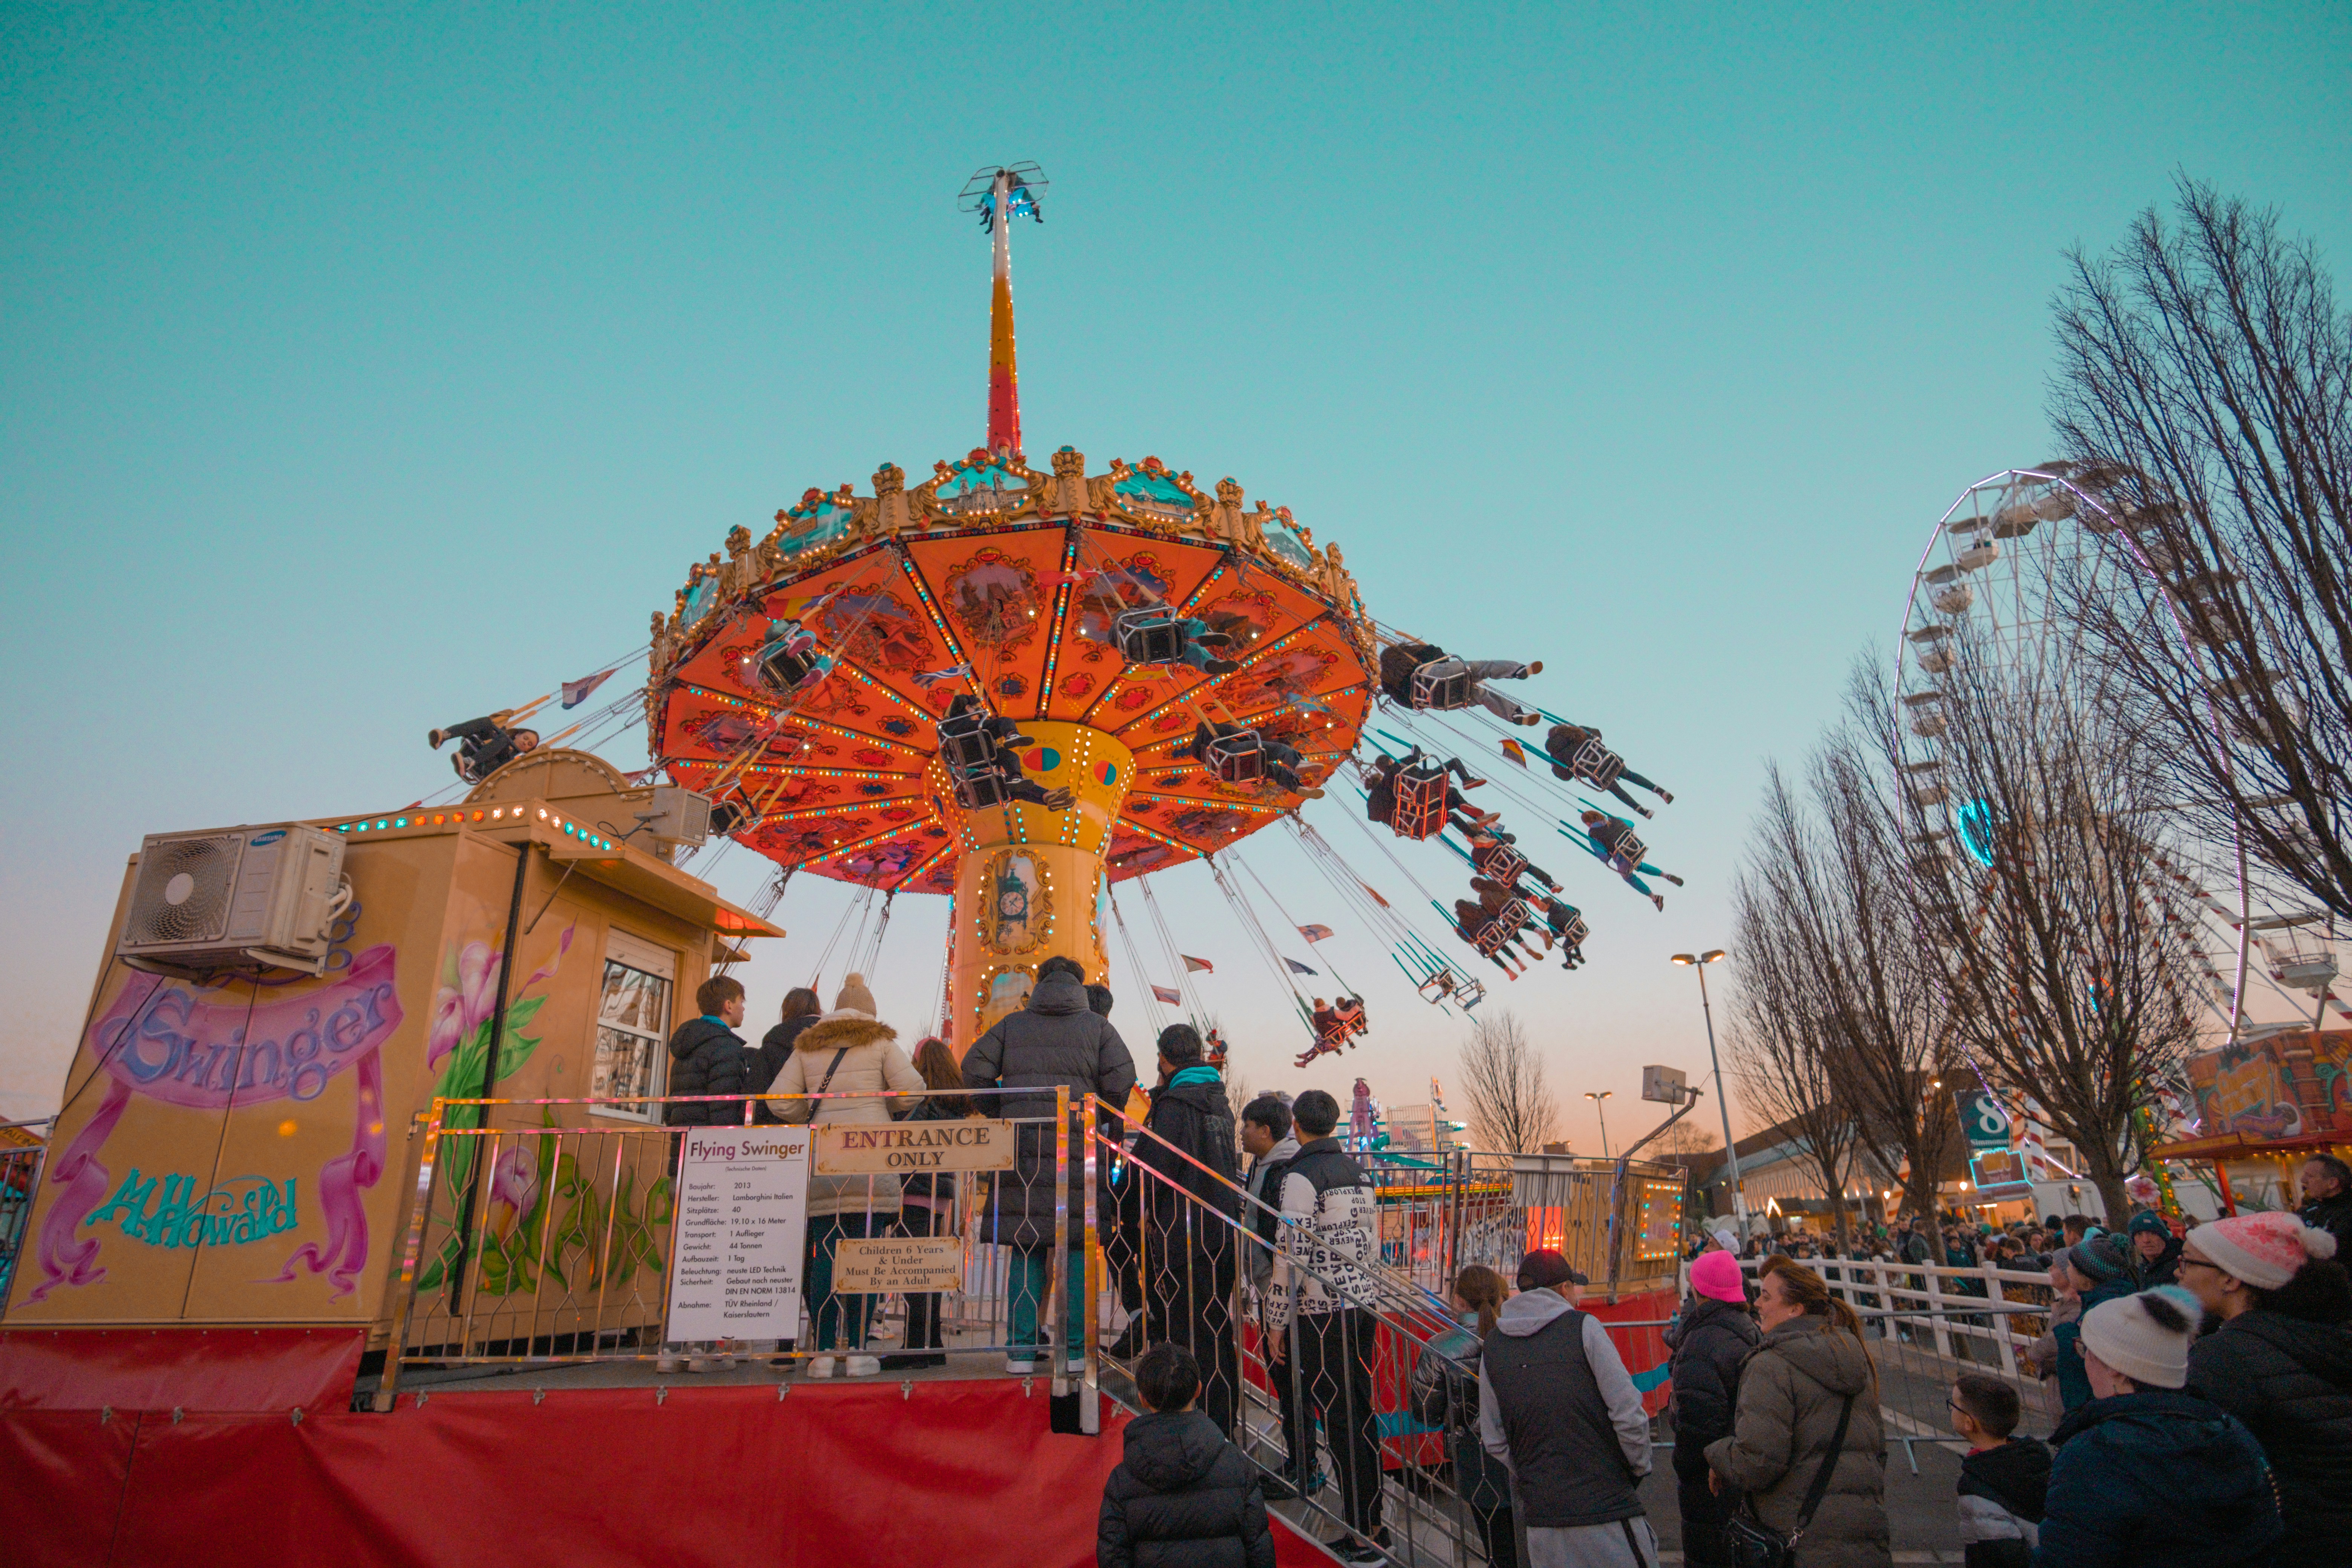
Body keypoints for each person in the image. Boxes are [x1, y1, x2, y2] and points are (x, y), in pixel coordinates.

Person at [964, 954, 1140, 1373]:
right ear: (1079, 985)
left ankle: (1021, 1351)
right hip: (1078, 1149)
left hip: (1021, 1150)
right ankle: (1076, 1350)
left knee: (1026, 1246)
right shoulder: (1098, 1027)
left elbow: (974, 1069)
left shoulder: (1012, 1024)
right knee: (1078, 1247)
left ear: (1040, 982)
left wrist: (1003, 1110)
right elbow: (1122, 1077)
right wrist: (1098, 1114)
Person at [2034, 1286, 2282, 1568]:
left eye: (2086, 1349)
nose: (2084, 1360)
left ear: (2115, 1366)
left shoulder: (2096, 1455)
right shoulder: (2230, 1431)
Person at [770, 973, 925, 1378]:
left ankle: (822, 1351)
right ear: (871, 1011)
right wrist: (887, 1110)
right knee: (867, 1256)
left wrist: (808, 1114)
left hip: (826, 1161)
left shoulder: (807, 1044)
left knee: (823, 1253)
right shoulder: (881, 1042)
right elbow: (912, 1089)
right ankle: (857, 1349)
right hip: (872, 1160)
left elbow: (779, 1100)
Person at [2178, 1211, 2352, 1568]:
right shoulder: (2324, 1336)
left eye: (2188, 1262)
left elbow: (2202, 1472)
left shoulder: (2224, 1357)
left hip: (2289, 1544)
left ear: (2230, 1279)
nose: (2177, 1272)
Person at [1704, 1255, 1890, 1567]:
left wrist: (1718, 1454)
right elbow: (1877, 1449)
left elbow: (1758, 1461)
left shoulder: (1770, 1365)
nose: (1757, 1304)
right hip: (1866, 1536)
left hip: (1801, 1540)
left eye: (1766, 1296)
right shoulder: (1853, 1354)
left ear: (1794, 1309)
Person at [1265, 1089, 1386, 1562]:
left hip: (1322, 1311)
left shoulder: (1301, 1175)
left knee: (1339, 1419)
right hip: (1361, 1306)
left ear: (1297, 1124)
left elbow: (1288, 1254)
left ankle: (1364, 1536)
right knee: (1357, 1411)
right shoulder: (1358, 1171)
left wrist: (1275, 1320)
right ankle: (1372, 1523)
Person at [1478, 1248, 1656, 1566]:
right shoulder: (1584, 1328)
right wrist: (1636, 1467)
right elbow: (1629, 1413)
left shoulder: (1493, 1346)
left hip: (1543, 1522)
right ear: (1564, 1289)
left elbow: (1494, 1439)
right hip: (1606, 1511)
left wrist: (1535, 1474)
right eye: (1574, 1288)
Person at [1132, 1024, 1243, 1435]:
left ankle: (1194, 1425)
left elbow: (1151, 1167)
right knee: (1216, 1330)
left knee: (1186, 1334)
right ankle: (1222, 1422)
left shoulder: (1176, 1104)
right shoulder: (1219, 1102)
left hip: (1185, 1237)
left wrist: (1128, 1205)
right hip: (1220, 1233)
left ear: (1164, 1059)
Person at [1096, 1343, 1276, 1568]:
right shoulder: (1237, 1466)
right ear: (1199, 1390)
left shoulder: (1122, 1481)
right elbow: (1260, 1554)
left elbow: (1113, 1559)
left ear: (1142, 1398)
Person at [655, 975, 755, 1373]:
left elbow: (673, 1107)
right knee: (715, 1255)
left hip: (682, 1159)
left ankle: (670, 1345)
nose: (746, 1008)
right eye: (743, 1001)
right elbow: (724, 1110)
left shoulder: (685, 1048)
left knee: (682, 1255)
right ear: (728, 1005)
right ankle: (705, 1345)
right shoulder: (727, 1050)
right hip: (714, 1163)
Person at [1412, 1265, 1516, 1568]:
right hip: (1522, 1449)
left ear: (1457, 1300)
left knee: (1496, 1543)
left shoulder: (1440, 1347)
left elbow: (1426, 1414)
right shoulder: (1515, 1335)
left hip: (1475, 1455)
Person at [1666, 1250, 1759, 1567]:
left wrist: (1687, 1466)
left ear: (1698, 1290)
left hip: (1709, 1477)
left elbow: (1697, 1422)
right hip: (1740, 1462)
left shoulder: (1702, 1342)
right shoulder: (1748, 1329)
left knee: (1710, 1552)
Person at [887, 1035, 972, 1370]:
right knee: (930, 1269)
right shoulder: (953, 1102)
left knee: (911, 1269)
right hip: (940, 1194)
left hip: (912, 1188)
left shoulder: (917, 1101)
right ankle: (931, 1342)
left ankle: (915, 1345)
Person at [1238, 1094, 1306, 1498]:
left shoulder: (1283, 1170)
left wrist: (1269, 1287)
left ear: (1265, 1131)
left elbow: (1278, 1238)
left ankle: (1304, 1465)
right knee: (1285, 1379)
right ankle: (1300, 1461)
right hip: (1267, 1286)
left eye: (1247, 1126)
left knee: (1289, 1377)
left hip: (1281, 1291)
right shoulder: (1261, 1164)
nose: (1242, 1133)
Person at [1947, 1372, 2049, 1568]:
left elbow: (1999, 1554)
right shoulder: (2032, 1458)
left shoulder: (1977, 1485)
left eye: (1954, 1405)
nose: (1951, 1410)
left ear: (1969, 1423)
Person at [2050, 1234, 2138, 1411]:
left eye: (2070, 1266)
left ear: (2085, 1275)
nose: (2067, 1270)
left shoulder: (2100, 1314)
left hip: (2103, 1408)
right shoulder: (2118, 1298)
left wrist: (2068, 1335)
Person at [1378, 640, 1544, 725]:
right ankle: (1517, 670)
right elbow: (1434, 653)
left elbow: (1412, 705)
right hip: (1437, 676)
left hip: (1440, 701)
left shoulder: (1393, 688)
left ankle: (1515, 715)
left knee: (1481, 696)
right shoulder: (1410, 658)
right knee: (1482, 668)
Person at [1544, 721, 1672, 818]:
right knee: (1629, 775)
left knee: (1616, 790)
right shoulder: (1579, 731)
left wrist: (1554, 769)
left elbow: (1565, 776)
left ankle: (1642, 811)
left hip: (1596, 774)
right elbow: (1598, 734)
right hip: (1609, 759)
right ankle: (1659, 791)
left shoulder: (1556, 754)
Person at [1573, 811, 1685, 911]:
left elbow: (1603, 856)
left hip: (1623, 856)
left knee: (1627, 876)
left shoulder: (1593, 834)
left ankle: (1654, 897)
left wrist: (1609, 854)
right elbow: (1631, 824)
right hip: (1636, 847)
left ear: (1588, 824)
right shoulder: (1612, 818)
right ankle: (1666, 876)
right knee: (1638, 865)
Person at [1182, 720, 1323, 798]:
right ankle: (1297, 763)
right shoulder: (1214, 728)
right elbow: (1240, 734)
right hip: (1235, 754)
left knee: (1273, 771)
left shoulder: (1195, 749)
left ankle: (1299, 788)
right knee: (1277, 749)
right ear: (1208, 723)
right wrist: (1246, 732)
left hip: (1230, 773)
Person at [750, 986, 823, 1124]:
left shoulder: (770, 1048)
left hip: (777, 1135)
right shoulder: (830, 1044)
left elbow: (756, 1095)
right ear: (817, 1010)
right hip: (823, 1128)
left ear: (786, 1011)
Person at [429, 711, 540, 782]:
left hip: (489, 767)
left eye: (529, 745)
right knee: (487, 723)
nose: (526, 743)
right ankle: (445, 735)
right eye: (526, 738)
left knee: (504, 740)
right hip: (473, 751)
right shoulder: (501, 737)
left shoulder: (515, 759)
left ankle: (470, 762)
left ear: (528, 751)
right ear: (518, 735)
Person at [2297, 1153, 2352, 1259]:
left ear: (2332, 1183)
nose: (2303, 1180)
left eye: (2310, 1176)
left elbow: (2336, 1255)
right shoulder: (2312, 1208)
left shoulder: (2347, 1214)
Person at [2124, 1208, 2182, 1288]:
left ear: (2163, 1237)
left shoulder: (2181, 1266)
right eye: (2139, 1234)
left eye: (2152, 1233)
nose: (2146, 1240)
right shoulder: (2143, 1268)